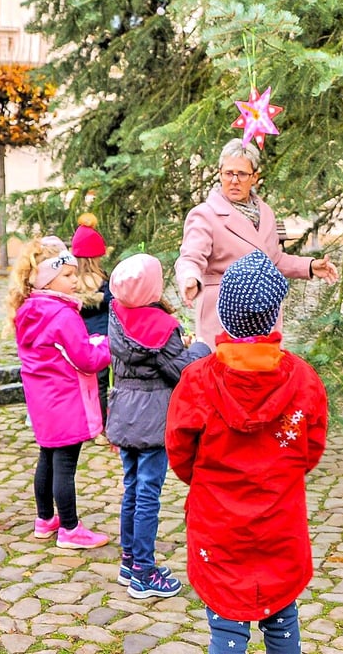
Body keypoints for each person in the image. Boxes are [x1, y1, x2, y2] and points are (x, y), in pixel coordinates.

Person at [166, 251, 328, 654]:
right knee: (282, 617)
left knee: (226, 623)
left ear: (224, 313)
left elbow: (180, 451)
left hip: (218, 521)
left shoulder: (197, 381)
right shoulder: (303, 379)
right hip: (280, 519)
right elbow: (311, 449)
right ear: (275, 313)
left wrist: (207, 479)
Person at [106, 253, 211, 599]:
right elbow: (183, 371)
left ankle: (128, 561)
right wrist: (199, 347)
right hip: (153, 420)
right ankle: (143, 572)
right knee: (148, 493)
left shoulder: (117, 315)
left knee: (132, 488)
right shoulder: (161, 328)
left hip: (125, 412)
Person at [174, 138, 339, 344]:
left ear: (254, 177)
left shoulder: (265, 212)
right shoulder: (205, 214)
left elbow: (273, 260)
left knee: (264, 362)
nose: (234, 180)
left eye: (242, 174)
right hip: (222, 317)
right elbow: (190, 257)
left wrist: (310, 266)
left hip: (263, 314)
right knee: (226, 365)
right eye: (228, 173)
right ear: (220, 173)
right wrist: (190, 277)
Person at [9, 236, 111, 549]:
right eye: (67, 275)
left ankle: (45, 519)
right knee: (65, 466)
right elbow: (87, 359)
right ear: (47, 280)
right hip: (67, 400)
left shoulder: (29, 310)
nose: (75, 280)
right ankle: (70, 528)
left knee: (47, 458)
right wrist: (106, 345)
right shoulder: (63, 315)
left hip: (43, 401)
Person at [71, 213, 113, 423]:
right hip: (102, 338)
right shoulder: (104, 281)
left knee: (79, 384)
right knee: (101, 384)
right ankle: (100, 424)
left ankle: (81, 421)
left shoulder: (70, 282)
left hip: (77, 338)